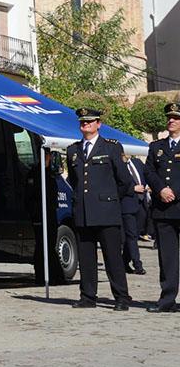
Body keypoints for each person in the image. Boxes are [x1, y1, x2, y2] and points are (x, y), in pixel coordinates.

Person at [65, 107, 133, 311]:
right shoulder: (73, 150)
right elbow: (74, 181)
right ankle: (88, 296)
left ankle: (121, 296)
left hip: (106, 211)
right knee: (86, 258)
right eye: (82, 122)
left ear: (98, 124)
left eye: (90, 122)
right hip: (84, 212)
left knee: (112, 258)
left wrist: (109, 200)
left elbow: (125, 182)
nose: (85, 125)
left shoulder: (111, 148)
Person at [144, 101, 180, 313]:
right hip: (164, 209)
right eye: (169, 117)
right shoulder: (156, 147)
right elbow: (149, 172)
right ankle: (167, 300)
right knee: (167, 258)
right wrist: (161, 190)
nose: (171, 120)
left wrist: (174, 192)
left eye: (176, 118)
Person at [121, 152, 149, 275]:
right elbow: (116, 185)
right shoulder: (118, 166)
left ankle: (124, 261)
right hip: (127, 205)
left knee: (135, 234)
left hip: (141, 203)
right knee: (131, 235)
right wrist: (132, 188)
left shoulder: (137, 163)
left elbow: (146, 175)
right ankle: (137, 264)